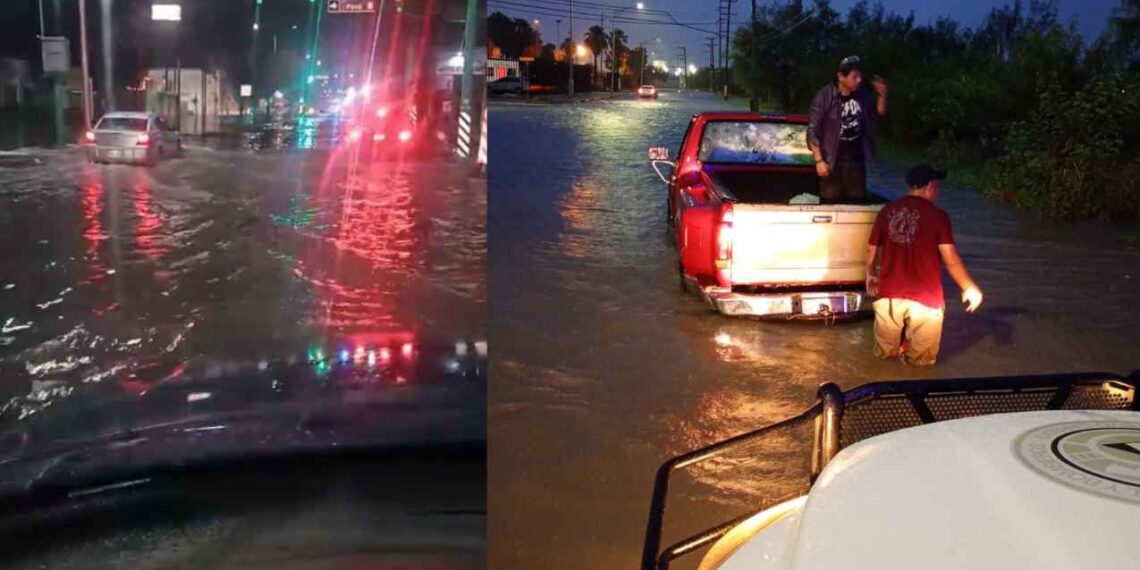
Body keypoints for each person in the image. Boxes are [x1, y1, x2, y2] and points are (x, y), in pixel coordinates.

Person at [865, 164, 984, 366]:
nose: (937, 191)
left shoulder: (886, 211)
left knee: (884, 360)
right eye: (936, 186)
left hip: (889, 295)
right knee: (921, 364)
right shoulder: (938, 216)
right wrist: (968, 287)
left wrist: (870, 273)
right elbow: (950, 258)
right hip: (926, 298)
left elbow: (872, 248)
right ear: (929, 186)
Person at [807, 55, 888, 202]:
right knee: (830, 204)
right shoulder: (825, 96)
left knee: (856, 203)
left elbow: (876, 116)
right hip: (832, 161)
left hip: (856, 162)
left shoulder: (862, 94)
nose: (859, 80)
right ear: (840, 76)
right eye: (854, 76)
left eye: (860, 76)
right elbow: (813, 131)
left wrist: (882, 95)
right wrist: (819, 161)